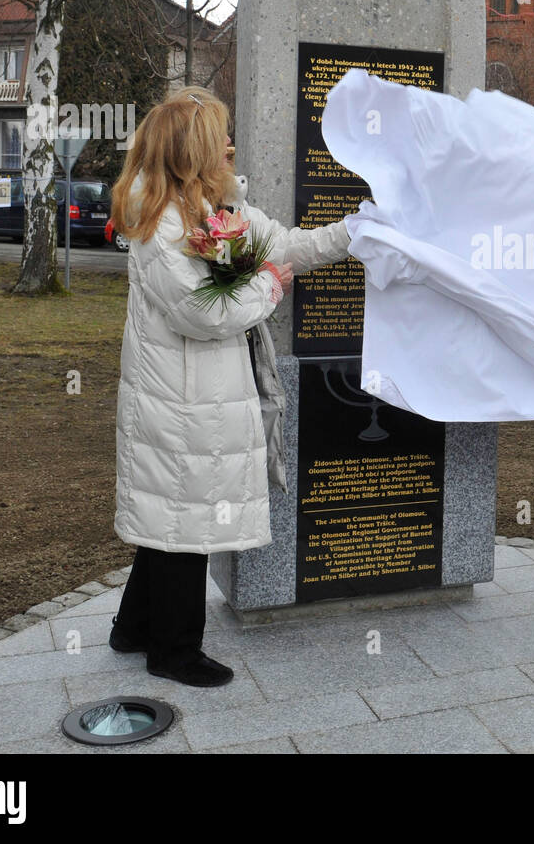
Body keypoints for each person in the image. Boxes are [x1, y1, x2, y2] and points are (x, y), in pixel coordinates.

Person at [108, 86, 353, 686]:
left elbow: (288, 244)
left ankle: (134, 627)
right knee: (185, 521)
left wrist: (359, 231)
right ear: (193, 152)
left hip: (200, 395)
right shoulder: (160, 224)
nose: (231, 148)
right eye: (220, 139)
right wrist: (269, 287)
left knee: (171, 513)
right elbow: (203, 312)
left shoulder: (215, 210)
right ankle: (174, 651)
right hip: (179, 399)